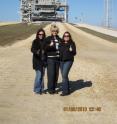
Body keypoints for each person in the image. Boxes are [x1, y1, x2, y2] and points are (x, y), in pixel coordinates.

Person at [44, 24, 61, 94]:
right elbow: (44, 48)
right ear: (51, 31)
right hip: (50, 59)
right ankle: (50, 90)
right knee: (51, 74)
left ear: (57, 31)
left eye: (56, 31)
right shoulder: (48, 39)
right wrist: (49, 46)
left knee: (56, 74)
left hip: (57, 59)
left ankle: (54, 89)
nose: (55, 32)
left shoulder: (60, 39)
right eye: (53, 31)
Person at [60, 32, 76, 96]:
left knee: (64, 75)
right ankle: (67, 89)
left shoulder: (72, 43)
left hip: (69, 61)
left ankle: (65, 91)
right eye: (65, 36)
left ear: (69, 37)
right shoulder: (61, 43)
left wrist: (71, 50)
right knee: (64, 76)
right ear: (63, 37)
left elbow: (74, 53)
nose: (66, 37)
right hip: (61, 61)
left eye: (67, 36)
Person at [31, 28, 46, 94]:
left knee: (42, 75)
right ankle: (37, 89)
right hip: (37, 61)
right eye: (40, 34)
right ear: (37, 34)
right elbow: (32, 49)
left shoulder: (45, 41)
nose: (41, 35)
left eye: (42, 34)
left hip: (44, 61)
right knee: (39, 75)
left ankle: (42, 89)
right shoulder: (35, 41)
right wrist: (37, 51)